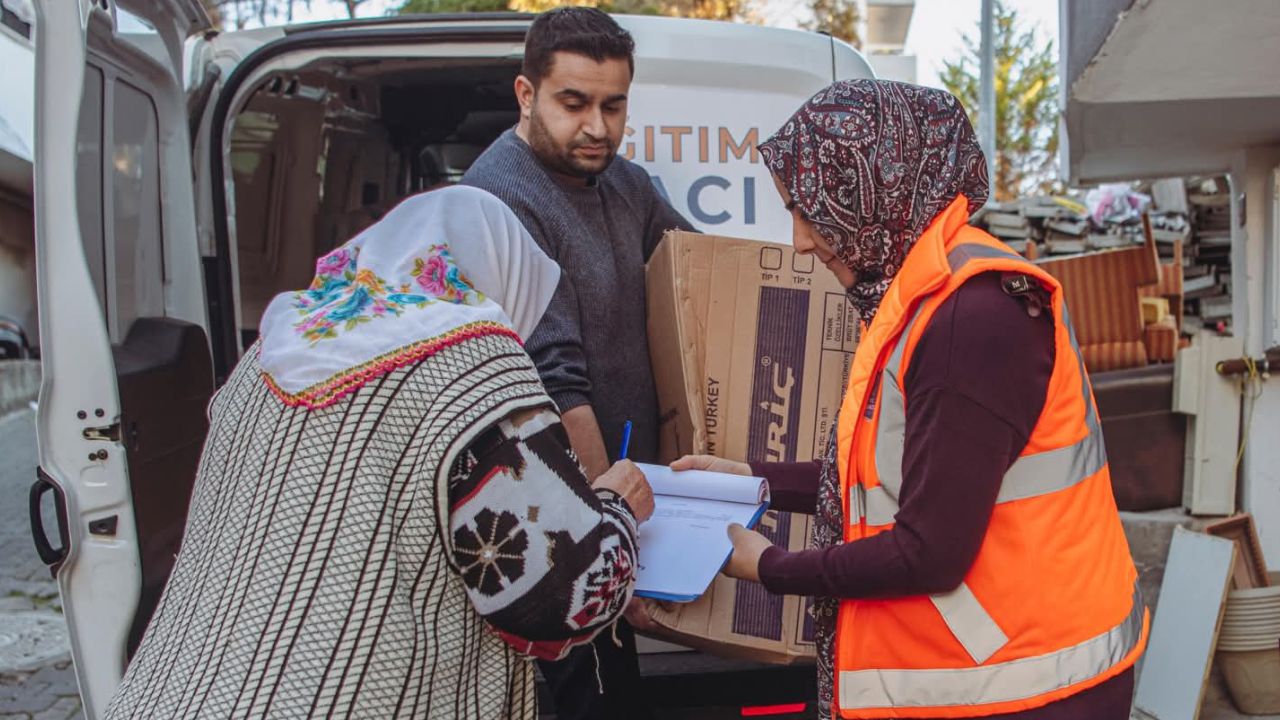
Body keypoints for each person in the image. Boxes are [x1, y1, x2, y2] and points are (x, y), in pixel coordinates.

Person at [674, 79, 1148, 720]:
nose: (800, 243)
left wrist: (771, 567)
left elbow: (931, 549)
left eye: (808, 210)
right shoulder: (926, 295)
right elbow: (898, 478)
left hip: (1029, 686)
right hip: (1003, 670)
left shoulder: (968, 320)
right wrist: (751, 479)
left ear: (872, 190)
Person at [104, 186, 654, 720]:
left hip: (165, 694)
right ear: (501, 273)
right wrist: (616, 509)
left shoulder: (277, 347)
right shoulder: (472, 363)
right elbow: (559, 597)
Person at [462, 8, 694, 719]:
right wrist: (608, 551)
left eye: (613, 105)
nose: (597, 125)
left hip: (622, 506)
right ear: (526, 94)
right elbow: (556, 384)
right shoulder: (502, 198)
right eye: (575, 103)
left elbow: (698, 274)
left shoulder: (624, 184)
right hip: (557, 537)